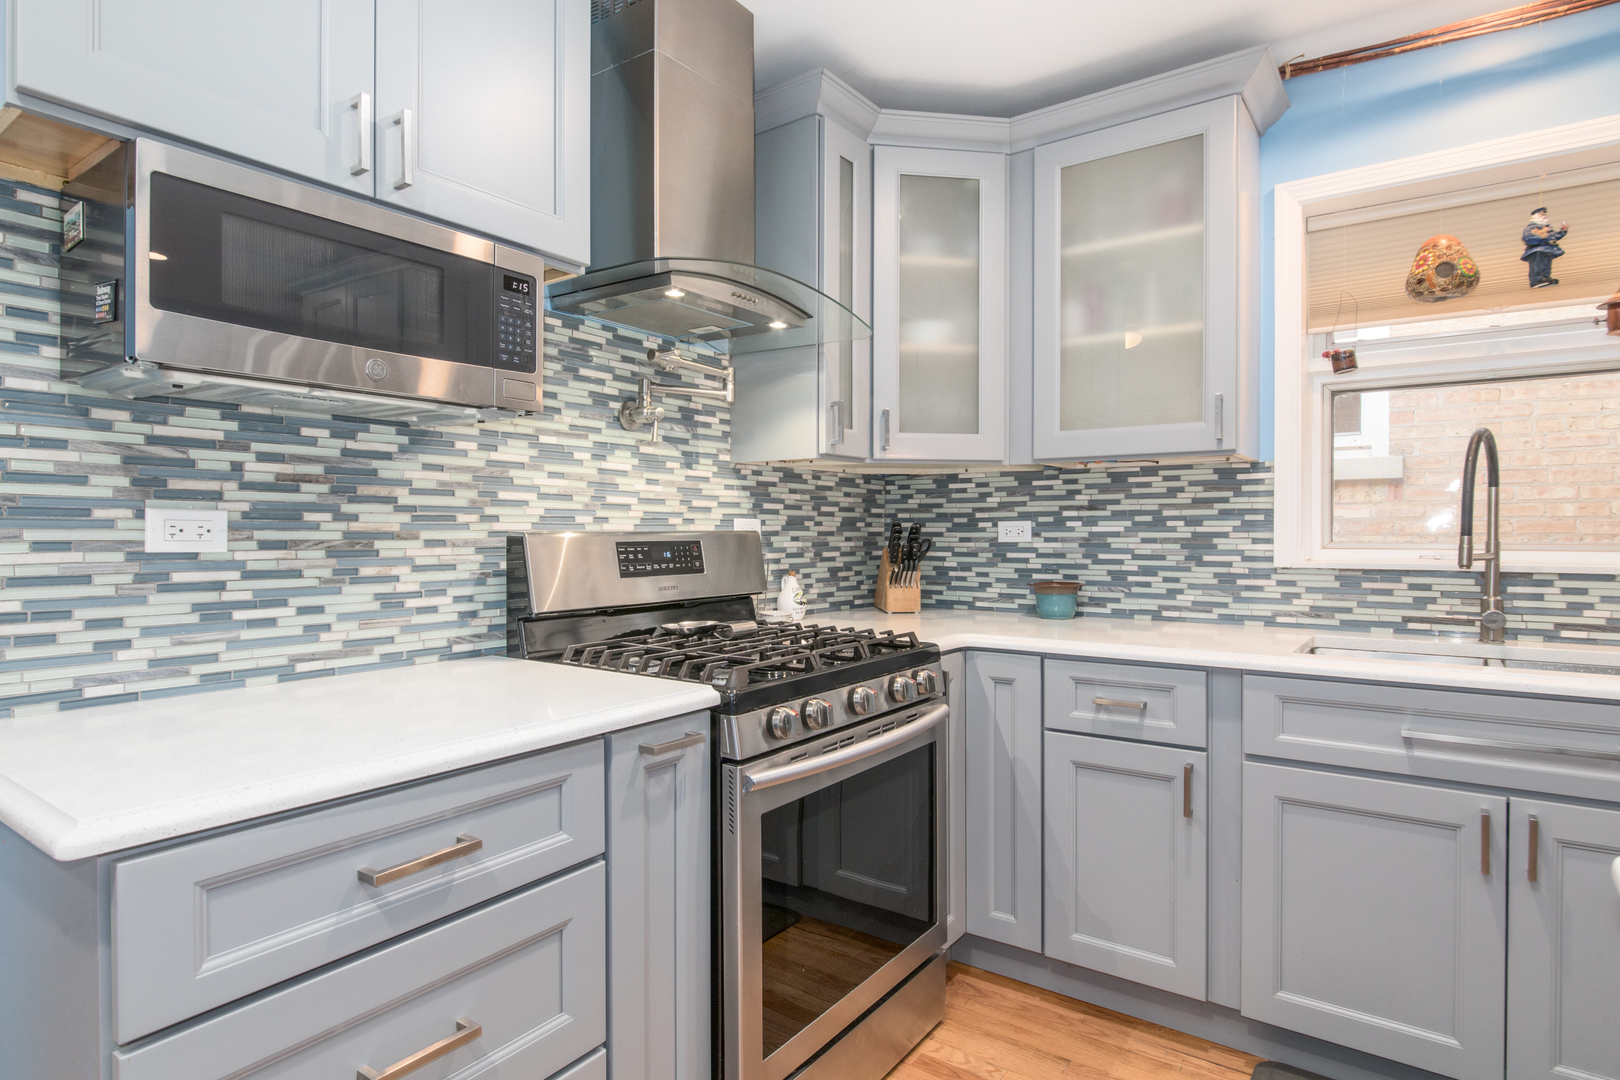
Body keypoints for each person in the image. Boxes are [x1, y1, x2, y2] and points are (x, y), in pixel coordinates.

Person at [1521, 207, 1568, 288]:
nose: (1543, 216)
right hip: (1535, 250)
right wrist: (1539, 237)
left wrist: (1562, 231)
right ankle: (1536, 280)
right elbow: (1527, 238)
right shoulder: (1530, 228)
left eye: (1544, 214)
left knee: (1546, 264)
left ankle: (1546, 277)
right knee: (1537, 264)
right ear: (1535, 217)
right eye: (1541, 214)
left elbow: (1553, 236)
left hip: (1547, 249)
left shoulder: (1546, 228)